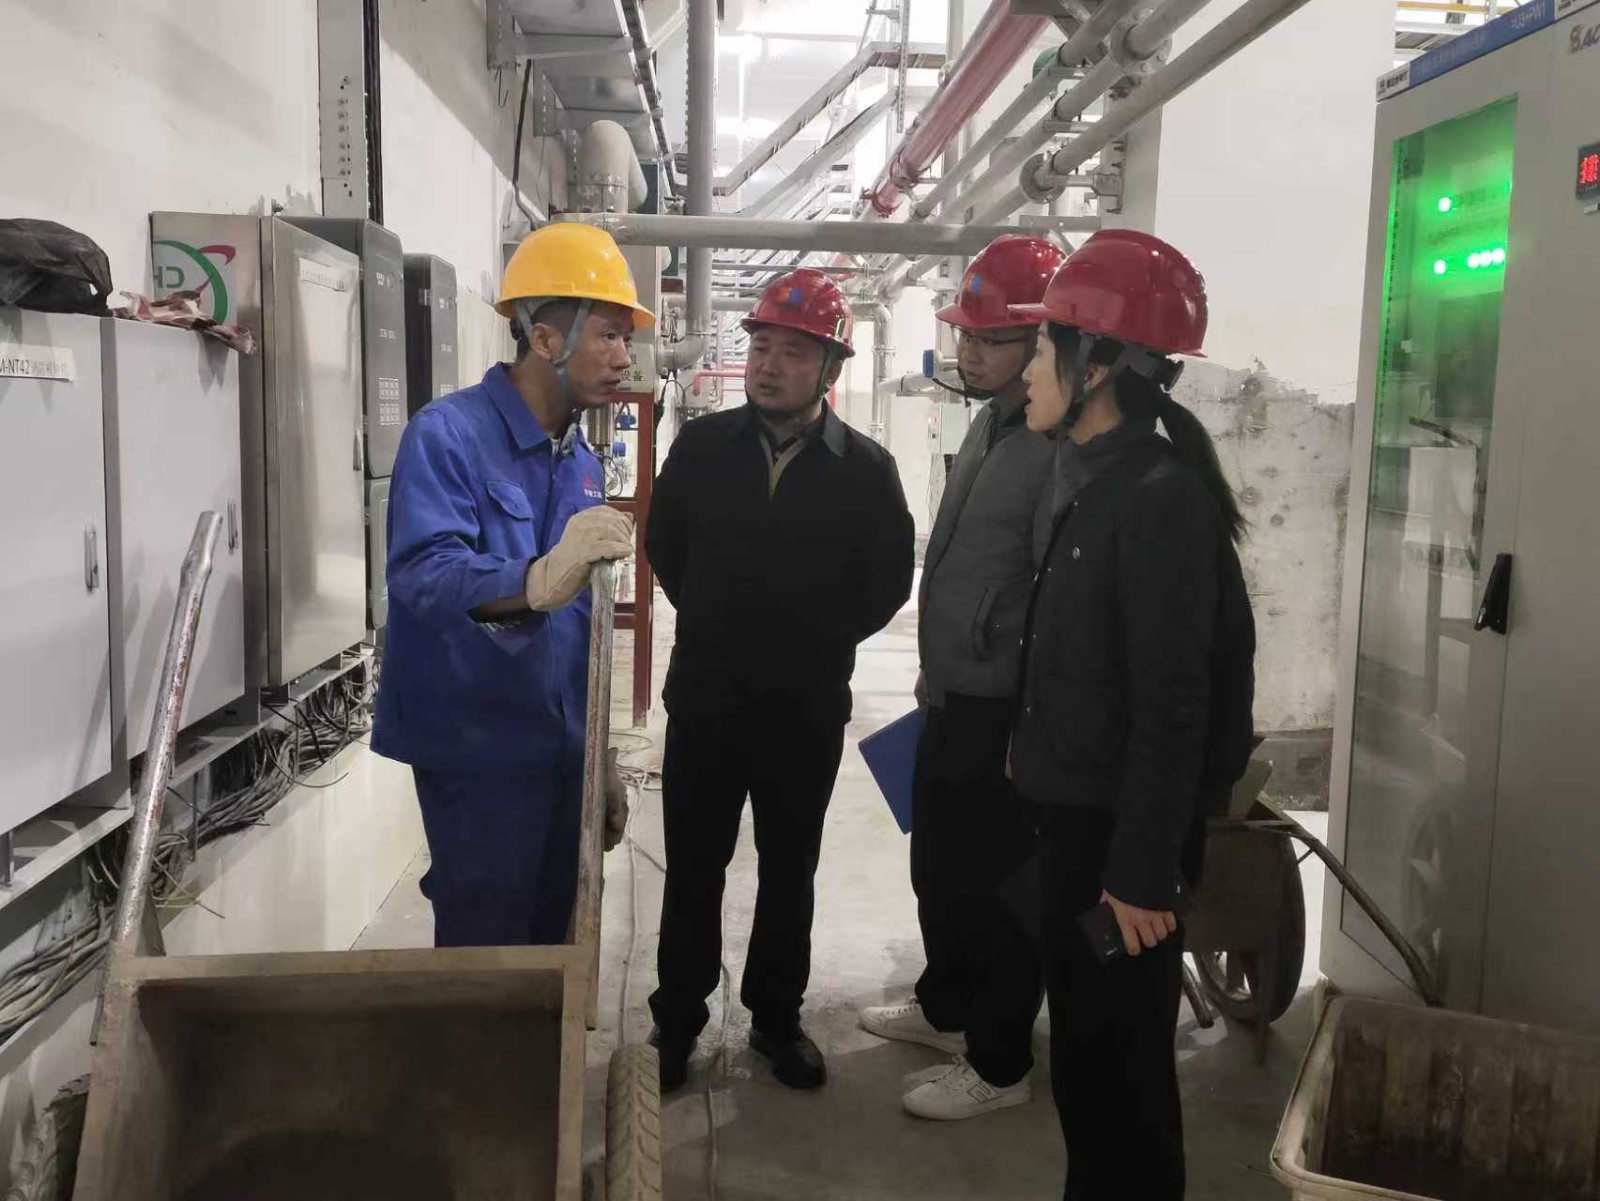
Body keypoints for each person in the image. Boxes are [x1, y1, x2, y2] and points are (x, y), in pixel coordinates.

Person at [1007, 230, 1257, 1200]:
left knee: (1123, 1083)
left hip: (1122, 851)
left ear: (1099, 365)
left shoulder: (1157, 500)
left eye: (1043, 347)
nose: (1029, 369)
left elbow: (1174, 703)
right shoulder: (1104, 482)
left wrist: (1143, 873)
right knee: (1087, 1066)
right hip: (1082, 827)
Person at [645, 267, 915, 1093]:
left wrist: (813, 638)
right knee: (695, 865)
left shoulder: (866, 469)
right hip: (707, 698)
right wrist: (721, 621)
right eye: (761, 345)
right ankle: (677, 1021)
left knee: (790, 866)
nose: (768, 365)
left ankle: (775, 1017)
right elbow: (666, 548)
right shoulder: (701, 448)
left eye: (794, 352)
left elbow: (886, 581)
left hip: (804, 708)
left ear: (830, 368)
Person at [373, 222, 648, 948]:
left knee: (558, 945)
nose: (624, 357)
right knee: (487, 946)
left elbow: (582, 627)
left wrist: (600, 756)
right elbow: (423, 575)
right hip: (480, 754)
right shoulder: (448, 435)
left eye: (626, 339)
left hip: (561, 753)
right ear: (545, 339)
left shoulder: (580, 461)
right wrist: (535, 579)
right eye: (609, 335)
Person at [857, 235, 1064, 1121]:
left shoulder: (1055, 443)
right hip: (952, 687)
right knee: (939, 865)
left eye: (989, 337)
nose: (969, 351)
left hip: (1002, 705)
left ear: (1044, 338)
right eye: (966, 334)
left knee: (999, 886)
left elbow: (1055, 596)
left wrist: (1030, 719)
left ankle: (999, 1059)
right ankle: (946, 1005)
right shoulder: (992, 422)